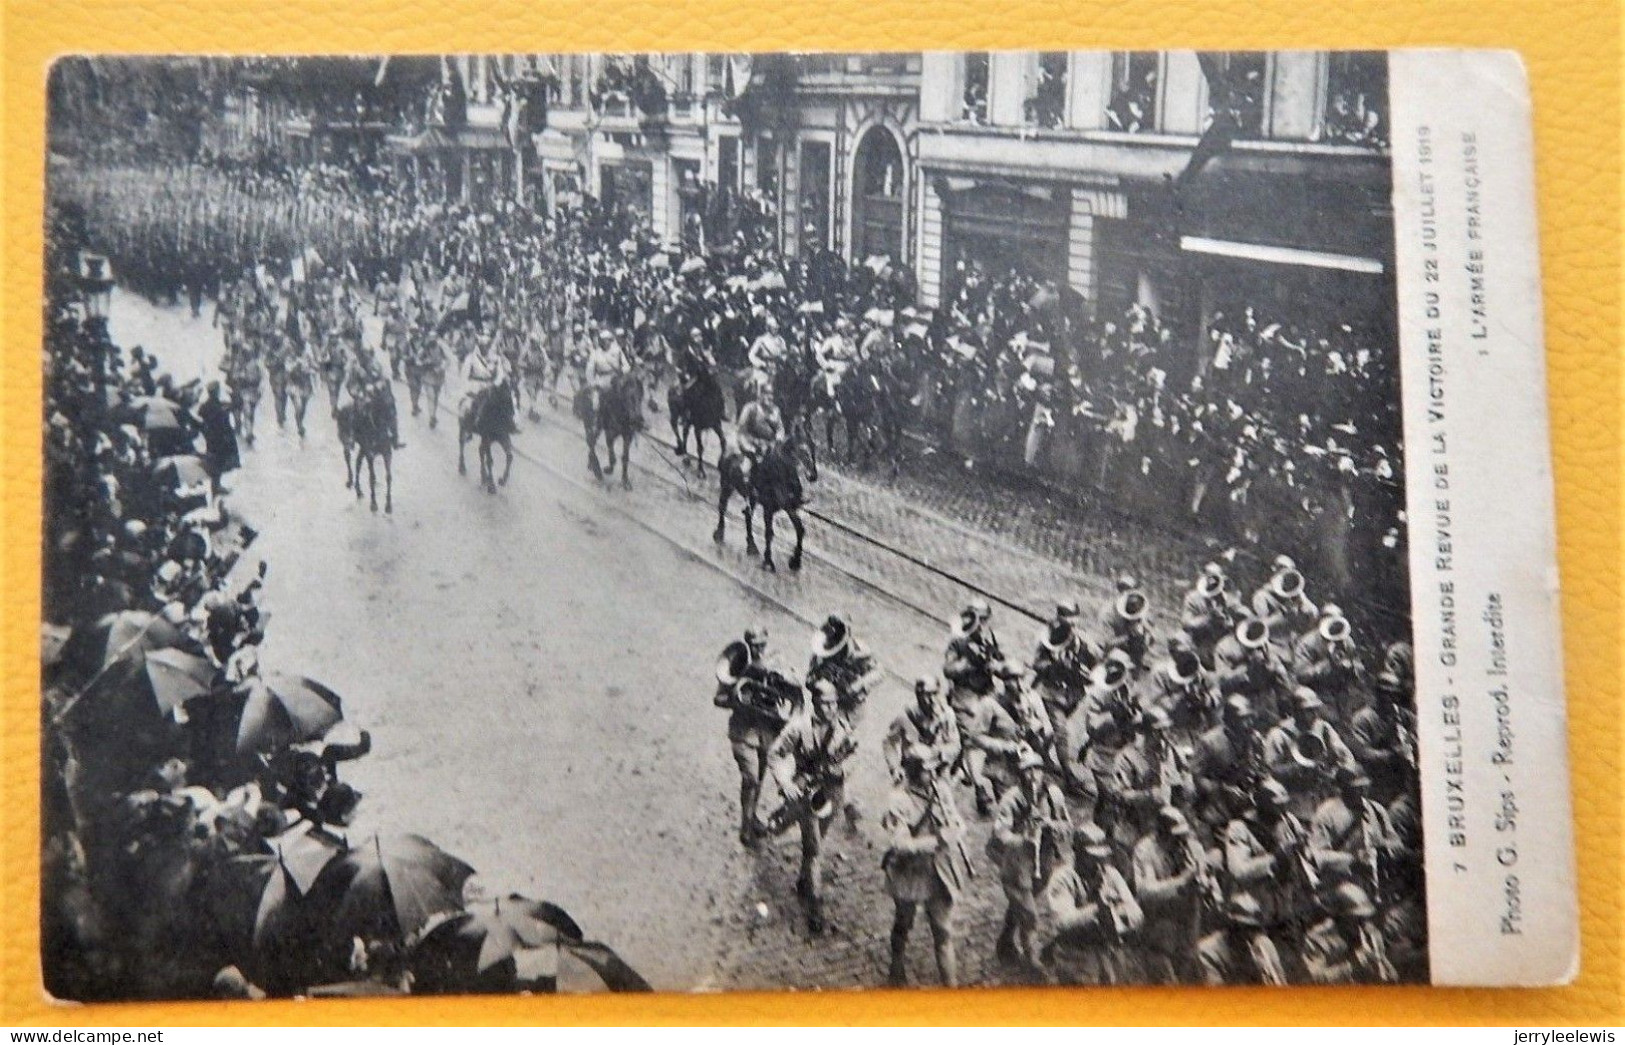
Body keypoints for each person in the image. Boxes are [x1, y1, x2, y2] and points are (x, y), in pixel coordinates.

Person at [765, 679, 858, 934]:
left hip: (832, 793)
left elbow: (852, 758)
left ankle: (804, 881)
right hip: (808, 793)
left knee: (816, 844)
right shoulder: (798, 727)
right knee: (815, 850)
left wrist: (841, 770)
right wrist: (785, 782)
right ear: (814, 702)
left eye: (833, 704)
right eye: (824, 704)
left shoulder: (843, 728)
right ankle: (815, 910)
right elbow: (774, 754)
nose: (830, 709)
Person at [880, 746, 972, 986]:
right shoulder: (898, 800)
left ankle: (950, 988)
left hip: (938, 872)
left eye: (933, 770)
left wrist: (957, 830)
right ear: (912, 771)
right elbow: (900, 844)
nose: (932, 775)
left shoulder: (940, 789)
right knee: (903, 922)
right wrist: (938, 839)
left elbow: (957, 820)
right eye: (926, 771)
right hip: (909, 872)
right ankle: (896, 963)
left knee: (943, 932)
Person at [988, 745, 1071, 972]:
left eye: (1036, 769)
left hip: (1043, 859)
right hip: (1017, 862)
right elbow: (1000, 832)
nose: (1032, 775)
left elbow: (1067, 825)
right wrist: (1022, 837)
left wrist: (1051, 826)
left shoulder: (1054, 795)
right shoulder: (1011, 799)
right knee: (1029, 913)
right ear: (1020, 774)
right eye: (1026, 770)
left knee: (1025, 902)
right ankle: (1032, 959)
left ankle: (1005, 940)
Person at [714, 625, 793, 847]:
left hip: (766, 732)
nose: (758, 649)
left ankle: (753, 817)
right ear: (747, 643)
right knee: (750, 779)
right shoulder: (738, 663)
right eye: (754, 645)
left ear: (767, 641)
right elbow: (718, 699)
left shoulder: (776, 662)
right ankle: (745, 827)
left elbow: (790, 691)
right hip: (742, 733)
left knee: (759, 779)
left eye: (761, 644)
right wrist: (736, 700)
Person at [1041, 824, 1144, 985]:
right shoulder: (1063, 878)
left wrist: (1118, 911)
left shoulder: (1110, 873)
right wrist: (1097, 907)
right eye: (1092, 857)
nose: (1099, 862)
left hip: (1106, 948)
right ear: (1078, 853)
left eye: (1101, 857)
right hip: (1075, 951)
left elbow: (1135, 913)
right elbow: (1063, 922)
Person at [1130, 805, 1214, 984]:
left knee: (1188, 964)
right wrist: (1181, 881)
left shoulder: (1193, 846)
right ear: (1161, 834)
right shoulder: (1146, 850)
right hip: (1159, 919)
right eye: (1175, 837)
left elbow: (1206, 879)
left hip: (1189, 916)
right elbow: (1145, 891)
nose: (1180, 841)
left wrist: (1204, 884)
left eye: (1182, 836)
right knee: (1162, 972)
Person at [1031, 598, 1099, 795]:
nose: (1072, 625)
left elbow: (1098, 666)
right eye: (1067, 620)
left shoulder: (1084, 641)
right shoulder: (1048, 636)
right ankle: (1069, 777)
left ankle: (1042, 754)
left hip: (1073, 695)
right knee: (1062, 734)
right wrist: (1054, 666)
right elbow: (1036, 663)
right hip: (1052, 692)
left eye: (1074, 621)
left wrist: (1089, 674)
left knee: (1053, 733)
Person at [1263, 686, 1358, 819]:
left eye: (1315, 710)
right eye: (1308, 711)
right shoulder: (1279, 734)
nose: (1314, 715)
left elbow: (1344, 755)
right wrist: (1298, 768)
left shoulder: (1323, 728)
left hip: (1324, 791)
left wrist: (1341, 771)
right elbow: (1271, 770)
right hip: (1296, 797)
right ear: (1296, 711)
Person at [1308, 767, 1400, 899]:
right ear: (1342, 788)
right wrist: (1353, 860)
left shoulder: (1376, 809)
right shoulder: (1326, 813)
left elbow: (1396, 843)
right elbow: (1317, 856)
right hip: (1342, 885)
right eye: (1356, 787)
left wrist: (1383, 847)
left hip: (1378, 883)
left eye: (1364, 786)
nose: (1362, 791)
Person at [1191, 694, 1271, 835]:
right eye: (1243, 719)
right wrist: (1223, 788)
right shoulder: (1209, 742)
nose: (1248, 723)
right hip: (1217, 806)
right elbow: (1197, 778)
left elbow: (1262, 768)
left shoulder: (1253, 738)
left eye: (1249, 718)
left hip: (1247, 804)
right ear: (1230, 721)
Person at [1299, 882, 1398, 984]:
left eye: (1365, 918)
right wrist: (1354, 963)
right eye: (1357, 918)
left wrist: (1380, 960)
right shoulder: (1316, 939)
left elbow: (1390, 975)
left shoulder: (1365, 934)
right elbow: (1316, 980)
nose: (1363, 924)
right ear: (1342, 916)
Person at [805, 613, 881, 725]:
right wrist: (819, 685)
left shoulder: (860, 650)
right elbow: (809, 679)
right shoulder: (821, 650)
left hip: (852, 707)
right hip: (828, 703)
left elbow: (879, 672)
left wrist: (858, 685)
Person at [1213, 616, 1294, 720]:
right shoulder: (1224, 647)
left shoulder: (1264, 639)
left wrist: (1272, 662)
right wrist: (1246, 670)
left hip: (1266, 693)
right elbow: (1222, 679)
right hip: (1243, 695)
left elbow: (1285, 662)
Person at [1180, 562, 1244, 666]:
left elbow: (1242, 620)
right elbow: (1186, 624)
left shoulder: (1232, 596)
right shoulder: (1193, 597)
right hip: (1203, 637)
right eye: (1208, 576)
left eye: (1216, 577)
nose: (1211, 581)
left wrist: (1232, 614)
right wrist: (1208, 618)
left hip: (1225, 637)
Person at [1250, 554, 1319, 644]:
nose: (1283, 572)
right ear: (1273, 570)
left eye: (1288, 569)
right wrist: (1282, 615)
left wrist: (1303, 599)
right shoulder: (1261, 595)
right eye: (1280, 568)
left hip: (1295, 642)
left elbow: (1314, 615)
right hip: (1275, 644)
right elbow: (1261, 627)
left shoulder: (1296, 594)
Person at [458, 332, 511, 431]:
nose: (486, 348)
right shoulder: (471, 358)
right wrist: (467, 386)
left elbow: (500, 373)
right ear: (480, 346)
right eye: (484, 346)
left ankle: (508, 423)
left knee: (504, 401)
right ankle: (467, 425)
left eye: (488, 346)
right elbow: (464, 374)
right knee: (469, 405)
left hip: (490, 385)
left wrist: (495, 383)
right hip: (475, 385)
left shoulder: (495, 358)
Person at [582, 327, 631, 419]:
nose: (606, 342)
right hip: (601, 380)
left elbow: (626, 365)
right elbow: (589, 370)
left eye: (608, 340)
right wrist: (592, 382)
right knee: (596, 400)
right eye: (604, 341)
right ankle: (596, 419)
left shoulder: (617, 351)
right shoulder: (595, 353)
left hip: (615, 378)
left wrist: (623, 371)